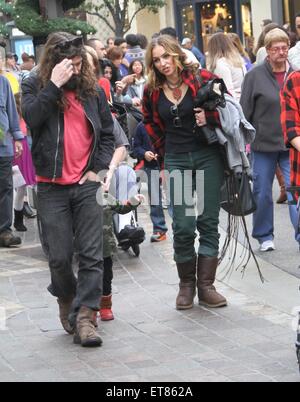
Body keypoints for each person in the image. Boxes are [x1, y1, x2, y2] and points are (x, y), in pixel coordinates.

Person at [21, 32, 115, 347]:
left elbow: (107, 136)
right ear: (53, 64)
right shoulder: (35, 86)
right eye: (68, 66)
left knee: (92, 254)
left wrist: (97, 171)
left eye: (78, 64)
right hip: (51, 186)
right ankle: (67, 297)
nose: (74, 71)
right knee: (59, 258)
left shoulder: (92, 90)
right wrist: (54, 86)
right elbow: (32, 118)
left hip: (86, 185)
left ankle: (86, 317)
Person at [143, 34, 227, 311]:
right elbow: (149, 122)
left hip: (206, 156)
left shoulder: (201, 77)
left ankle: (206, 286)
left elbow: (226, 107)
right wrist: (163, 156)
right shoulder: (152, 89)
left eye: (166, 56)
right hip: (176, 159)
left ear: (176, 54)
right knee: (182, 225)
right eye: (157, 59)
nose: (163, 63)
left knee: (207, 221)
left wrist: (209, 117)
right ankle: (186, 285)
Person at [240, 28, 299, 252]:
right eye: (276, 49)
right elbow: (244, 112)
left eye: (285, 48)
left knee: (295, 190)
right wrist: (243, 144)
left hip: (290, 144)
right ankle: (264, 235)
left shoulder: (294, 73)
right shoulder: (254, 76)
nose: (282, 52)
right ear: (267, 50)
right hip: (262, 144)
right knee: (262, 191)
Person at [0, 54, 24, 248]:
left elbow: (11, 110)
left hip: (3, 146)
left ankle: (4, 230)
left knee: (6, 188)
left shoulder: (3, 82)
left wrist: (17, 137)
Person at [133, 122, 168, 242]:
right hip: (151, 166)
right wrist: (144, 153)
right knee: (154, 199)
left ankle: (181, 230)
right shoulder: (141, 127)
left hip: (169, 164)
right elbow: (135, 148)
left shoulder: (165, 123)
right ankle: (160, 229)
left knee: (177, 199)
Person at [12, 93, 36, 232]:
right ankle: (15, 219)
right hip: (12, 148)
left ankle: (18, 219)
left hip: (24, 148)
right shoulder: (11, 116)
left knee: (21, 187)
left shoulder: (26, 116)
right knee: (13, 186)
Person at [207, 32, 246, 101]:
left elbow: (228, 91)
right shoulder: (237, 59)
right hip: (242, 101)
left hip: (234, 105)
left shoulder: (221, 64)